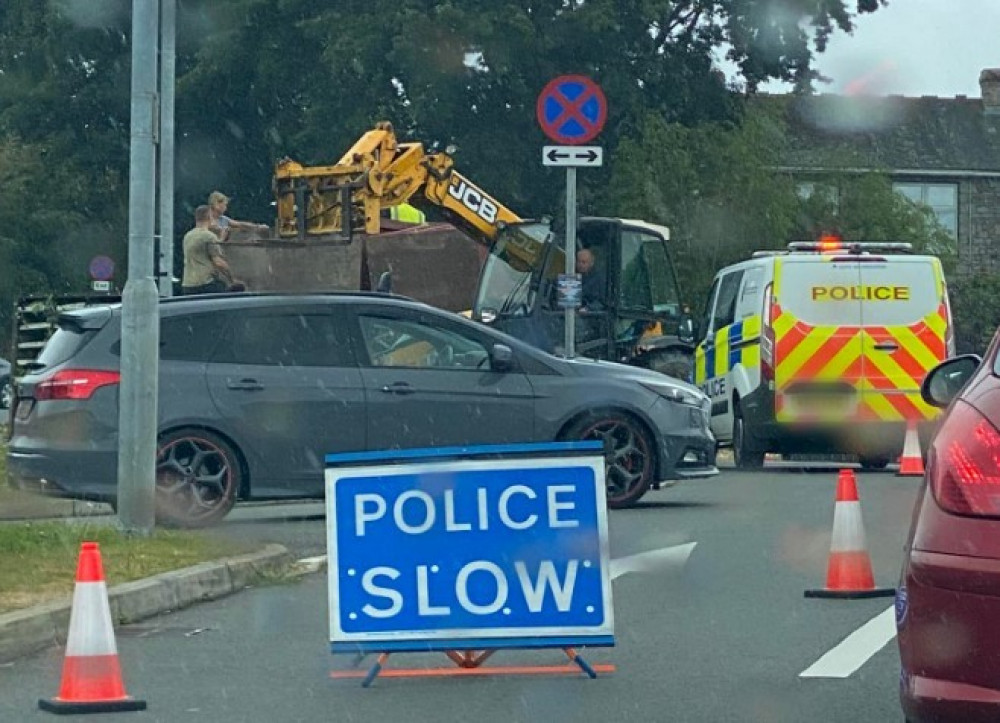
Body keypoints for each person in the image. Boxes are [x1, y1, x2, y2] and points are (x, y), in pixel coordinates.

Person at [182, 205, 236, 295]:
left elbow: (201, 249)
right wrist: (232, 279)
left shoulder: (188, 235)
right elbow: (218, 262)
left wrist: (220, 239)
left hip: (188, 285)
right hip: (204, 284)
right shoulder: (209, 236)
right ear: (209, 217)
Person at [576, 248, 606, 312]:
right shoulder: (572, 275)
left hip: (590, 317)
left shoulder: (598, 279)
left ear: (591, 263)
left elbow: (601, 302)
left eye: (584, 262)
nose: (580, 265)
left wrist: (588, 309)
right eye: (579, 261)